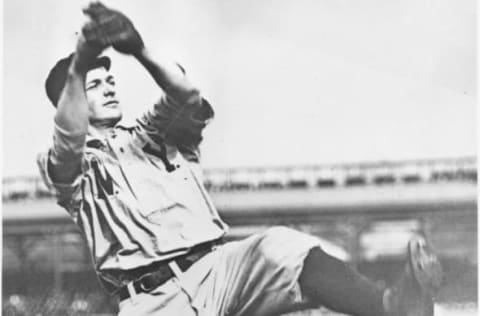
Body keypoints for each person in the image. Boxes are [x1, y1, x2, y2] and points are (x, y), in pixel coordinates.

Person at [38, 2, 442, 316]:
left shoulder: (151, 131)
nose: (109, 87)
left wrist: (139, 47)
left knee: (281, 248)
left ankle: (390, 307)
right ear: (70, 99)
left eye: (110, 79)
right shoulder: (71, 166)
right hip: (151, 301)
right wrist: (80, 62)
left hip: (220, 269)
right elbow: (68, 140)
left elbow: (186, 95)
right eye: (95, 84)